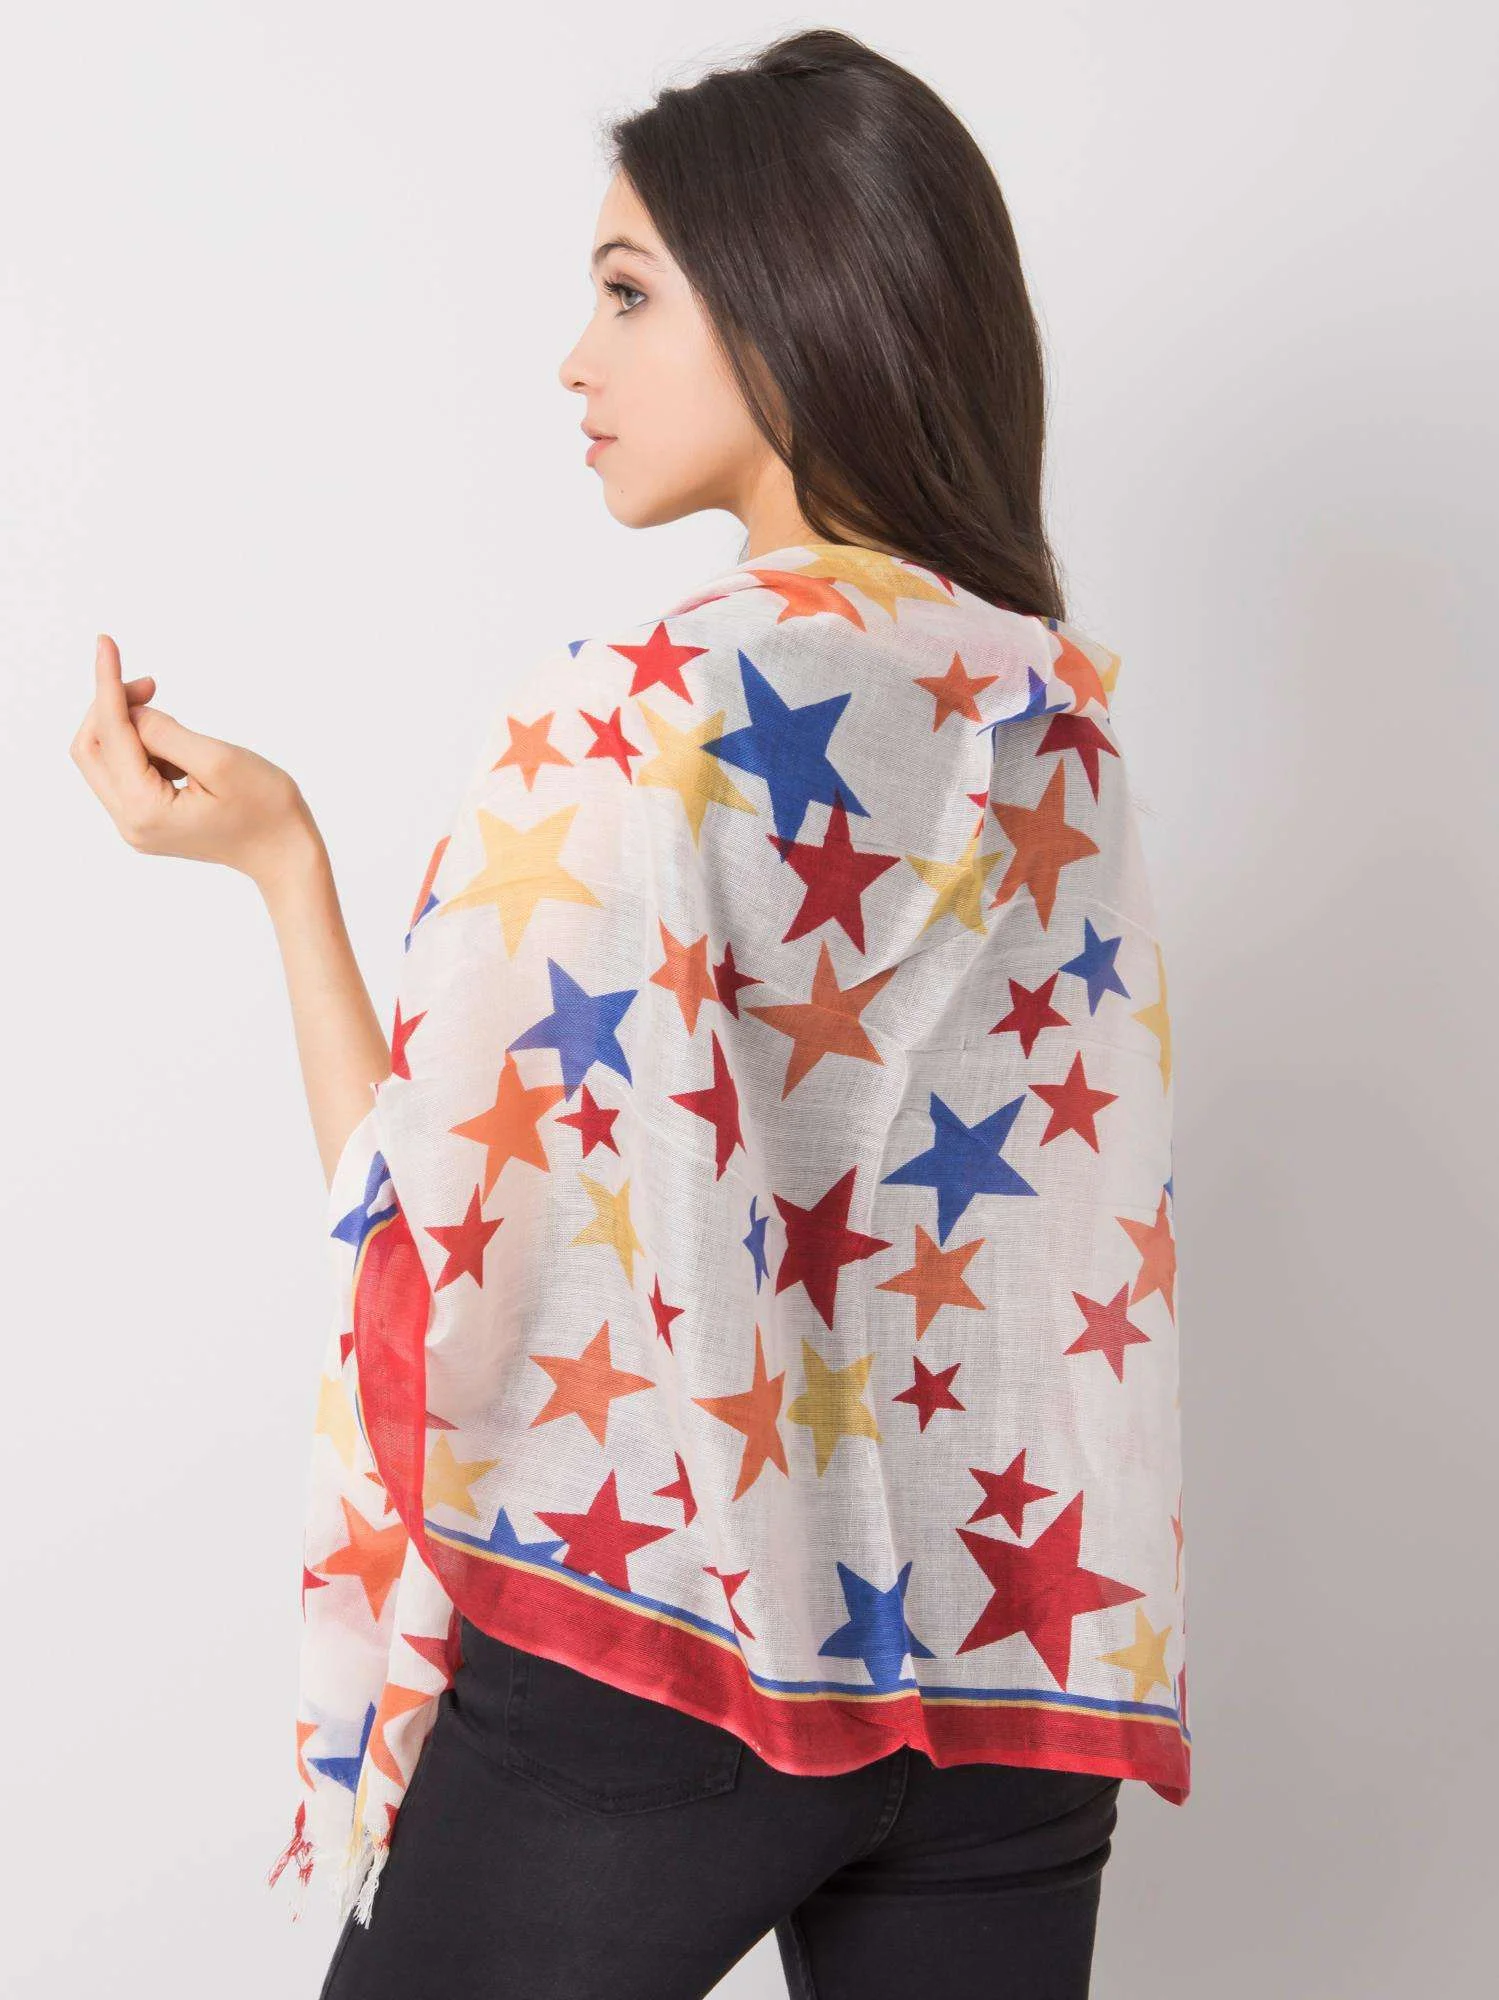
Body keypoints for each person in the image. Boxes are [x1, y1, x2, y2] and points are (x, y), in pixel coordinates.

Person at [70, 27, 1188, 1999]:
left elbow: (435, 1233)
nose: (573, 361)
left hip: (669, 1646)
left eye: (625, 291)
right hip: (1012, 1655)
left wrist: (281, 868)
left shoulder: (633, 710)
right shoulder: (1056, 714)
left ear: (789, 297)